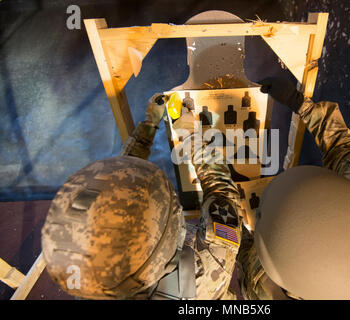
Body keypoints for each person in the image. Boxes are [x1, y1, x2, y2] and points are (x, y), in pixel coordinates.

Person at [41, 94, 243, 300]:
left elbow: (118, 188)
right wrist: (191, 135)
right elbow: (221, 190)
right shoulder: (206, 267)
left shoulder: (87, 278)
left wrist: (147, 127)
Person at [237, 77, 350, 300]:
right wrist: (300, 104)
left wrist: (236, 229)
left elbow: (249, 269)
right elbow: (343, 145)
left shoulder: (266, 291)